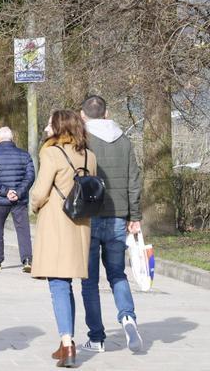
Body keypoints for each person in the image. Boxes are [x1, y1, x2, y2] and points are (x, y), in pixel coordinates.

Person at [30, 110, 97, 368]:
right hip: (80, 224)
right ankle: (65, 341)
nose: (46, 127)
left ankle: (68, 343)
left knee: (58, 283)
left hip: (57, 225)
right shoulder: (89, 155)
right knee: (66, 282)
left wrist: (35, 206)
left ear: (59, 127)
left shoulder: (51, 153)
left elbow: (39, 191)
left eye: (50, 123)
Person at [80, 95, 144, 353]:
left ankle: (96, 338)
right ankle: (127, 316)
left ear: (83, 115)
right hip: (119, 215)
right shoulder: (124, 140)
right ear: (106, 114)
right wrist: (135, 216)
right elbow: (134, 180)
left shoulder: (83, 141)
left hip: (91, 216)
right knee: (117, 273)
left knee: (89, 280)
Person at [0, 126, 35, 272]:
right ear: (12, 138)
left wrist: (5, 192)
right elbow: (30, 176)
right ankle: (27, 260)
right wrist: (18, 192)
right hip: (19, 199)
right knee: (23, 230)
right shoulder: (25, 155)